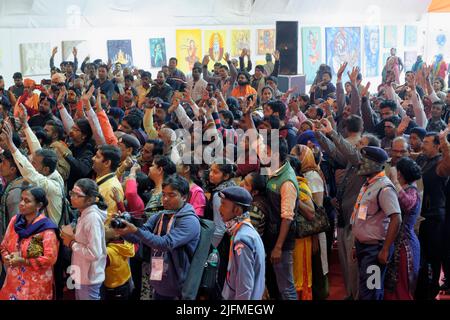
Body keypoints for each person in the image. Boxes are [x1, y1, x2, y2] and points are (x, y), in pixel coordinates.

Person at [116, 174, 201, 300]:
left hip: (178, 288)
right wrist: (123, 229)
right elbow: (139, 237)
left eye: (171, 195)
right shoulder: (160, 215)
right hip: (159, 280)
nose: (165, 199)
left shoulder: (189, 221)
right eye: (164, 194)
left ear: (184, 197)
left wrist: (135, 230)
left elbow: (165, 244)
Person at [351, 146, 401, 300]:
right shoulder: (368, 184)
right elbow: (362, 217)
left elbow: (396, 218)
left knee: (371, 292)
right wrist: (356, 242)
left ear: (375, 164)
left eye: (363, 161)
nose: (359, 164)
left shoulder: (384, 188)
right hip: (364, 246)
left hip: (375, 249)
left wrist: (385, 249)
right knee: (366, 289)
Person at [0, 187, 59, 300]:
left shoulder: (46, 228)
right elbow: (3, 245)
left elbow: (50, 258)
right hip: (13, 281)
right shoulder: (15, 221)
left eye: (27, 201)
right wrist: (7, 258)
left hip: (36, 284)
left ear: (39, 205)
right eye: (21, 199)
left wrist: (24, 261)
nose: (21, 203)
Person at [3, 120, 64, 225]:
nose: (31, 164)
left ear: (45, 169)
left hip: (46, 234)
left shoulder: (52, 185)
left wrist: (11, 145)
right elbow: (37, 148)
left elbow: (29, 173)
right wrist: (25, 124)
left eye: (34, 163)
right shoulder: (52, 171)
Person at [60, 179, 107, 300]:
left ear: (90, 199)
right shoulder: (83, 213)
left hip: (89, 277)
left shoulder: (92, 218)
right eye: (72, 193)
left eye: (77, 195)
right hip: (81, 272)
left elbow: (94, 253)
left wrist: (71, 243)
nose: (72, 197)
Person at [415, 133, 449, 300]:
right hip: (421, 216)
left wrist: (444, 140)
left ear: (436, 146)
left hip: (434, 217)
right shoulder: (421, 160)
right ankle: (422, 289)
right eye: (423, 141)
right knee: (422, 256)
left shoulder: (441, 164)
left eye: (427, 143)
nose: (423, 145)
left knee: (433, 257)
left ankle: (432, 290)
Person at [219, 186, 265, 300]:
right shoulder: (245, 231)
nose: (220, 209)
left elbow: (245, 285)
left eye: (224, 204)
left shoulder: (242, 239)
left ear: (237, 210)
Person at [385, 157, 422, 300]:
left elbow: (407, 204)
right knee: (393, 285)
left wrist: (394, 180)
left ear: (399, 173)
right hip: (395, 243)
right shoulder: (402, 188)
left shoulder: (412, 190)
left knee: (401, 286)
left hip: (405, 246)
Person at [91, 145, 124, 221]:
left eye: (97, 157)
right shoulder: (101, 178)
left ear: (107, 163)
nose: (93, 158)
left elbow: (106, 221)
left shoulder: (111, 188)